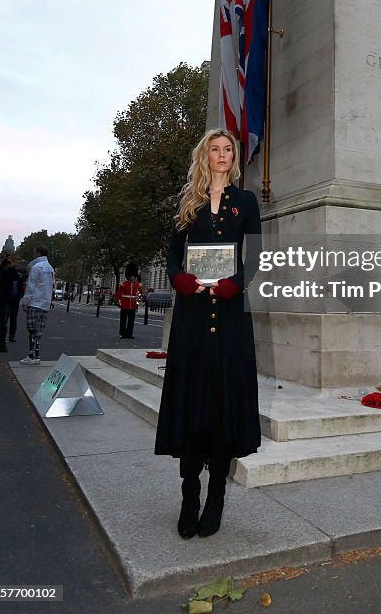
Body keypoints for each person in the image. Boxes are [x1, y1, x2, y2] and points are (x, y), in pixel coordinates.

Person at [154, 129, 261, 540]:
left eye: (227, 149)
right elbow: (172, 258)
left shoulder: (246, 202)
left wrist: (235, 283)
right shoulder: (189, 202)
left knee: (221, 412)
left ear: (234, 158)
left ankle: (215, 497)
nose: (221, 154)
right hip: (192, 319)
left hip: (231, 318)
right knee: (192, 408)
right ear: (205, 156)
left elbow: (257, 256)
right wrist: (181, 281)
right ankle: (189, 496)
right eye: (214, 149)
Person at [19, 246, 55, 366]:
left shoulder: (36, 267)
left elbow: (31, 286)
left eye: (34, 252)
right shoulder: (50, 268)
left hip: (35, 302)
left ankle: (31, 354)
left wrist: (25, 301)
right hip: (45, 302)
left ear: (38, 253)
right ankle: (37, 354)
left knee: (31, 329)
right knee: (38, 330)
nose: (33, 254)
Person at [116, 262, 141, 339]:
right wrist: (119, 302)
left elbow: (138, 295)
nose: (132, 278)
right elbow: (119, 294)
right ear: (128, 276)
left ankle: (129, 334)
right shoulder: (123, 284)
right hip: (124, 304)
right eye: (131, 276)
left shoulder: (138, 285)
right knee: (123, 320)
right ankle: (122, 333)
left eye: (133, 276)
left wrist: (137, 304)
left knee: (131, 321)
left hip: (132, 305)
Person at [8, 264, 26, 342]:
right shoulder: (9, 276)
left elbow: (21, 288)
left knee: (13, 318)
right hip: (8, 298)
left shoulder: (19, 279)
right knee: (5, 318)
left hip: (15, 299)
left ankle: (12, 335)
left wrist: (20, 295)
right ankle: (2, 334)